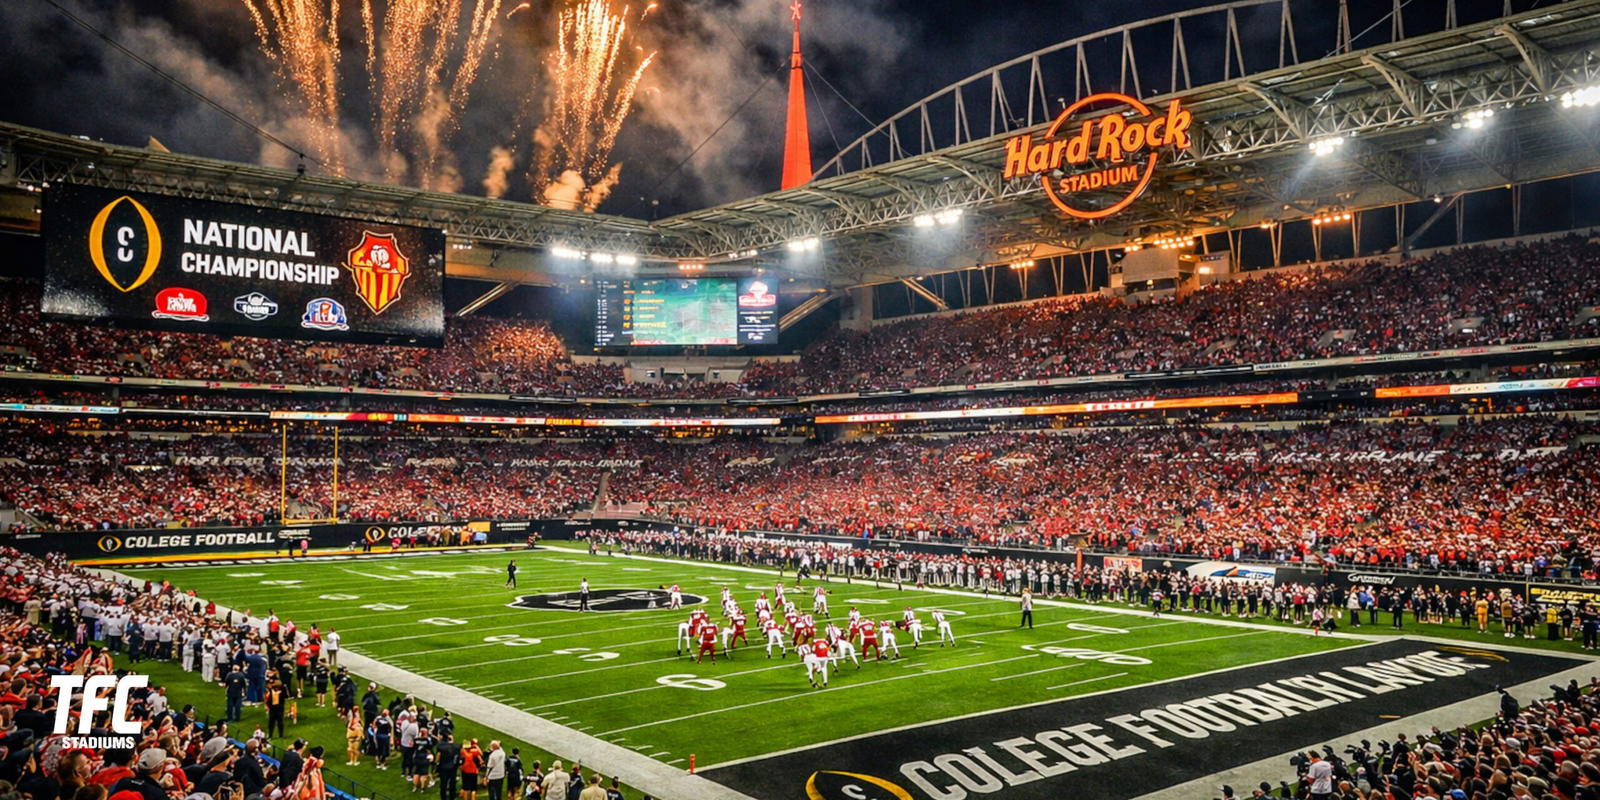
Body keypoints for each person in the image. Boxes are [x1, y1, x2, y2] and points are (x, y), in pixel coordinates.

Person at [436, 733, 462, 800]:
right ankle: (452, 797)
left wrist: (437, 763)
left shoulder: (441, 746)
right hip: (453, 768)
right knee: (452, 783)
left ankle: (443, 797)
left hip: (443, 768)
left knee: (443, 784)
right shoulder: (457, 746)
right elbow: (459, 756)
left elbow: (438, 757)